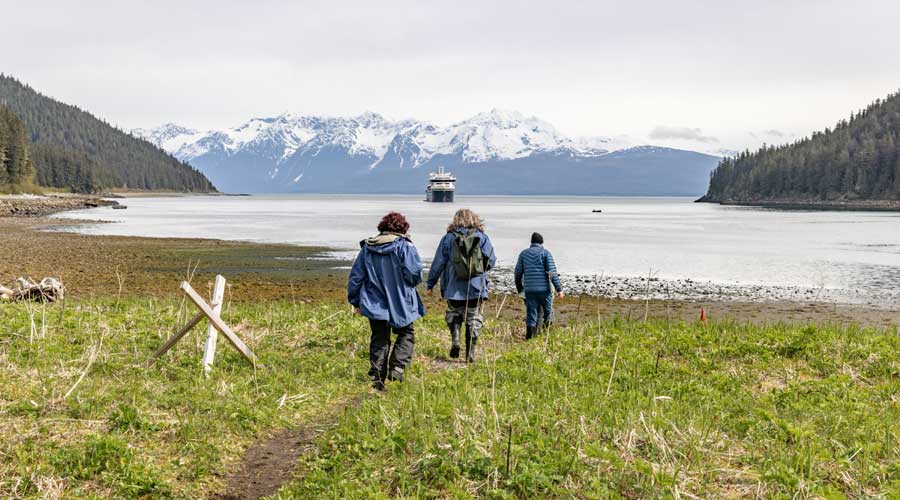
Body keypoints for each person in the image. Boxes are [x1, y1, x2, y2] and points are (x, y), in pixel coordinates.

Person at [348, 212, 425, 391]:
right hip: (401, 300)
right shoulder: (405, 247)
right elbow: (414, 274)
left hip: (374, 302)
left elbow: (356, 277)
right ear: (403, 228)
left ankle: (377, 376)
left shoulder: (367, 248)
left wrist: (355, 300)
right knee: (406, 333)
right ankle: (397, 367)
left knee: (379, 338)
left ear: (382, 227)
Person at [426, 208, 496, 363]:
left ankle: (456, 339)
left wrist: (431, 283)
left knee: (454, 315)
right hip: (476, 287)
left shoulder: (448, 238)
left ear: (455, 220)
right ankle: (470, 353)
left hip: (453, 286)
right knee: (473, 318)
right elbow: (491, 260)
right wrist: (479, 270)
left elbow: (438, 263)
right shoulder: (482, 237)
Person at [514, 232, 564, 339]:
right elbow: (552, 273)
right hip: (544, 291)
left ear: (531, 242)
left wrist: (520, 289)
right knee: (548, 312)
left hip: (530, 290)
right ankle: (546, 336)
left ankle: (529, 338)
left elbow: (517, 273)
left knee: (531, 314)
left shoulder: (523, 254)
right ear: (542, 242)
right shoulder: (545, 253)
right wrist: (559, 289)